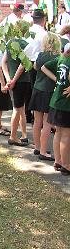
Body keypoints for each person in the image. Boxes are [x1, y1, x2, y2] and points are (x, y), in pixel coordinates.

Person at [28, 32, 61, 160]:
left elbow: (36, 67)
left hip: (37, 90)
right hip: (49, 91)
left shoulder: (40, 55)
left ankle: (37, 147)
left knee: (37, 121)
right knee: (47, 123)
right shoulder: (57, 57)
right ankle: (43, 151)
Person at [41, 43, 70, 175]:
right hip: (65, 103)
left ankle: (58, 161)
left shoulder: (60, 59)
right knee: (66, 134)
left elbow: (43, 67)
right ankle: (66, 164)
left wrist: (56, 79)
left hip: (55, 100)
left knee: (58, 132)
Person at [2, 32, 31, 146]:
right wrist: (13, 80)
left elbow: (4, 62)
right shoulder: (25, 44)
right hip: (22, 81)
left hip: (12, 80)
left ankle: (24, 135)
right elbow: (23, 64)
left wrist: (8, 79)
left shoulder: (9, 43)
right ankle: (13, 136)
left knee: (20, 108)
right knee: (18, 109)